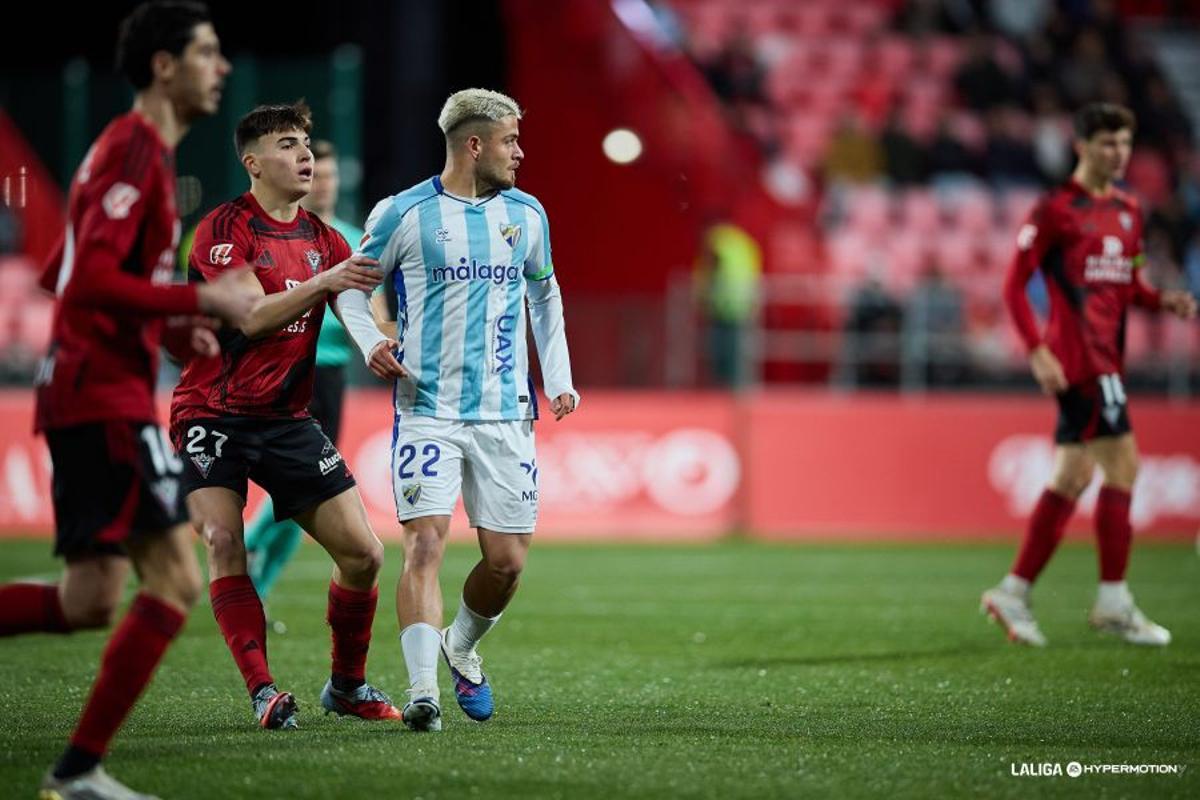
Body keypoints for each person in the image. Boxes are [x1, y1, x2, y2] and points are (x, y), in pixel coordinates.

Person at [0, 4, 258, 797]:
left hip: (88, 391)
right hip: (102, 398)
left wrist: (178, 319)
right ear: (162, 67)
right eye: (207, 53)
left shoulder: (129, 150)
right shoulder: (137, 150)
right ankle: (78, 771)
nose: (221, 68)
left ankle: (78, 772)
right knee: (175, 583)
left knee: (89, 599)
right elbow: (83, 282)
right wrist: (203, 301)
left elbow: (61, 267)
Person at [334, 88, 579, 732]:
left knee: (507, 564)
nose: (520, 153)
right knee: (424, 547)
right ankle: (423, 694)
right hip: (427, 409)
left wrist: (559, 378)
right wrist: (372, 342)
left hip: (505, 413)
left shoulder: (528, 214)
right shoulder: (403, 213)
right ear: (475, 144)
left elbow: (545, 297)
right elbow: (350, 291)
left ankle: (460, 646)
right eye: (510, 141)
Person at [170, 101, 400, 729]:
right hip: (211, 413)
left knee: (365, 555)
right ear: (253, 162)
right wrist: (328, 282)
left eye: (306, 142)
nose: (304, 155)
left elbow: (358, 315)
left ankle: (347, 685)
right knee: (224, 541)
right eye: (288, 144)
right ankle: (263, 691)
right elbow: (251, 314)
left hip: (286, 418)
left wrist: (391, 341)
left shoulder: (327, 239)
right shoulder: (224, 228)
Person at [981, 103, 1197, 647]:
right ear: (1080, 146)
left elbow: (1126, 282)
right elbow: (1013, 284)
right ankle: (1113, 599)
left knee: (1072, 477)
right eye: (1106, 143)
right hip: (1082, 360)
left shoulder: (1128, 209)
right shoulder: (1055, 210)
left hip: (1109, 354)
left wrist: (1160, 300)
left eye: (1124, 143)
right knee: (1124, 464)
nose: (1117, 153)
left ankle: (1013, 590)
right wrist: (1035, 350)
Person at [242, 140, 369, 613]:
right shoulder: (284, 237)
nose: (327, 183)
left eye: (333, 175)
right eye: (320, 175)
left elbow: (369, 315)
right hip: (290, 370)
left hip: (332, 377)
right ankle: (248, 540)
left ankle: (260, 590)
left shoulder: (354, 239)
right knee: (304, 487)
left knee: (308, 496)